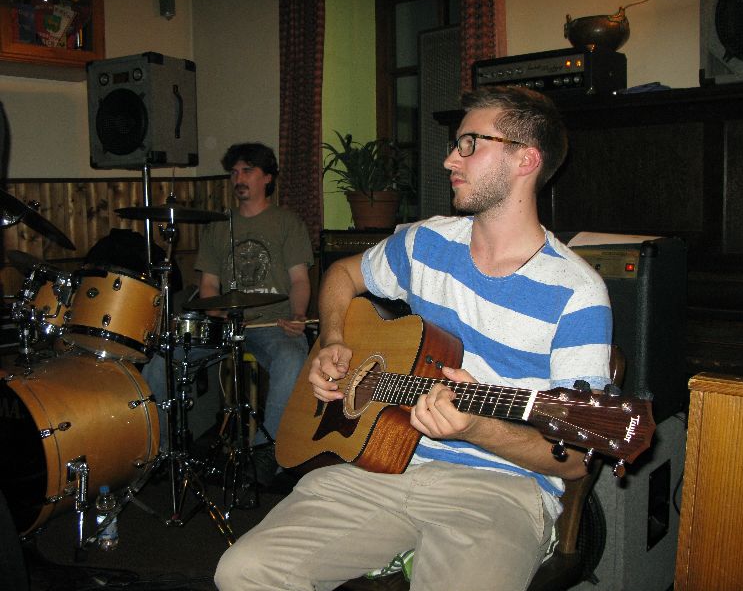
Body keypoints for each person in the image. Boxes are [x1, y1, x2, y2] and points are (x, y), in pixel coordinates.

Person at [214, 87, 612, 590]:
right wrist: (332, 340)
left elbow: (575, 459)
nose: (450, 159)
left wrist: (476, 429)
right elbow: (341, 275)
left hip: (500, 489)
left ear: (525, 159)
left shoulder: (577, 293)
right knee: (242, 572)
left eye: (469, 143)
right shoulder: (427, 242)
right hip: (379, 466)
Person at [144, 142, 313, 486]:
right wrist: (217, 312)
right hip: (223, 325)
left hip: (273, 324)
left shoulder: (287, 223)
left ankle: (266, 452)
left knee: (293, 359)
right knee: (161, 361)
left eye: (247, 171)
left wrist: (297, 315)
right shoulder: (218, 226)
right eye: (234, 172)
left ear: (267, 178)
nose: (239, 178)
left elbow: (299, 280)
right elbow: (208, 285)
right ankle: (160, 450)